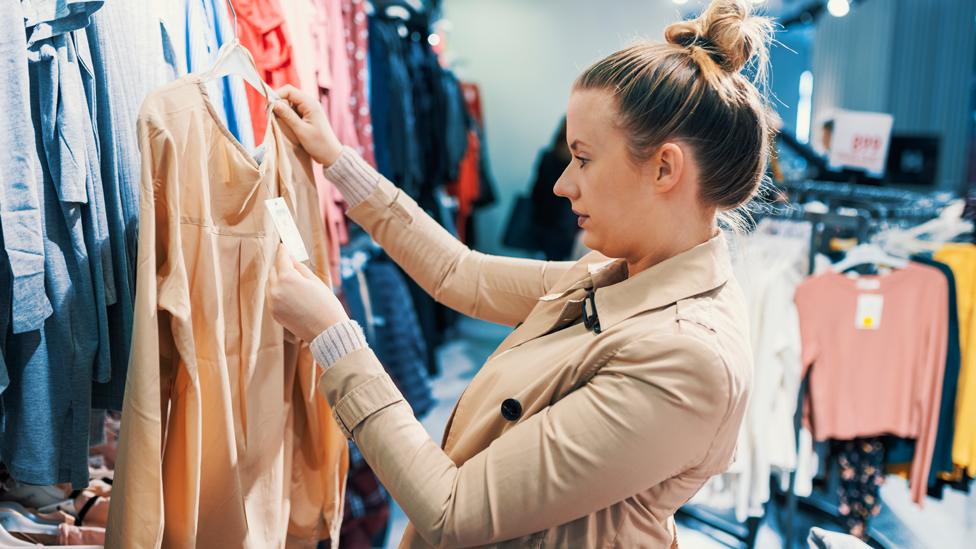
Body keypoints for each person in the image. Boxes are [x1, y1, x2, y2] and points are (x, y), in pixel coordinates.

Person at [268, 0, 772, 546]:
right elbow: (464, 274)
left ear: (665, 168)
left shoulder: (686, 359)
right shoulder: (618, 273)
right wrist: (339, 161)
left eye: (582, 158)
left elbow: (453, 510)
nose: (562, 185)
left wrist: (334, 339)